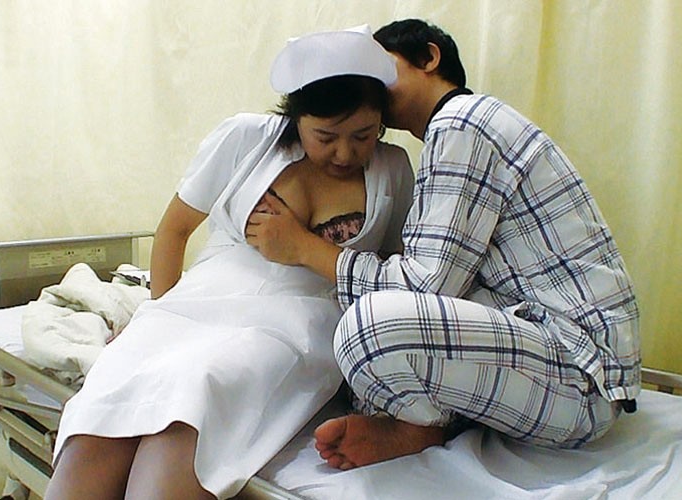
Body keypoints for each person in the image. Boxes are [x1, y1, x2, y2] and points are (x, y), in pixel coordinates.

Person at [246, 18, 641, 471]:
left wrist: (304, 248)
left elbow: (426, 286)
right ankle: (429, 423)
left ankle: (424, 425)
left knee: (365, 327)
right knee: (356, 351)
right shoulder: (457, 134)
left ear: (429, 58)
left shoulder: (462, 122)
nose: (371, 88)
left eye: (382, 70)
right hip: (557, 357)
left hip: (581, 376)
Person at [44, 26, 414, 500]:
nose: (345, 152)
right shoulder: (246, 138)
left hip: (296, 321)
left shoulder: (392, 169)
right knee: (113, 398)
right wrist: (156, 311)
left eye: (363, 135)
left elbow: (394, 273)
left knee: (201, 384)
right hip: (199, 299)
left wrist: (304, 246)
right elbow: (174, 230)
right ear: (297, 117)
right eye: (326, 136)